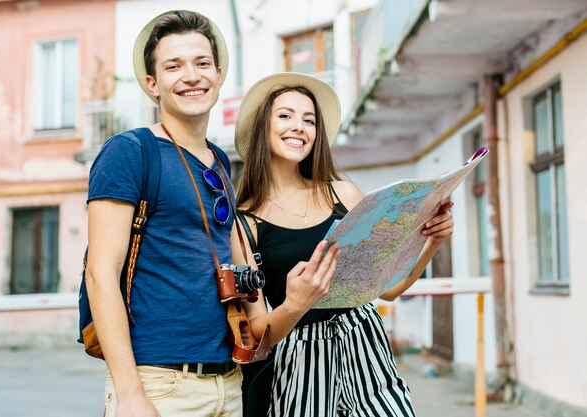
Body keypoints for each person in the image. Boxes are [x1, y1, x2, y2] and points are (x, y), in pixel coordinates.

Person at [85, 12, 339, 417]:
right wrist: (130, 393)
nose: (192, 76)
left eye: (202, 63)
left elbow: (250, 307)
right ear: (153, 84)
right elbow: (100, 273)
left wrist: (294, 303)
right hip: (160, 385)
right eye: (174, 66)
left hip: (227, 381)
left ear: (218, 74)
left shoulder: (219, 162)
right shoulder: (130, 151)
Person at [234, 72, 455, 417]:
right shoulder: (245, 222)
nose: (299, 127)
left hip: (362, 339)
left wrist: (432, 241)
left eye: (309, 120)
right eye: (285, 116)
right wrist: (294, 304)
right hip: (298, 361)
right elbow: (258, 329)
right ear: (263, 127)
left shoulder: (343, 193)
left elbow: (388, 289)